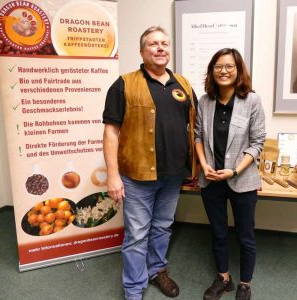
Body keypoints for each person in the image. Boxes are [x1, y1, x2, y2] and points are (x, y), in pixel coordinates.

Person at [102, 26, 197, 300]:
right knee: (136, 236)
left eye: (164, 43)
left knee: (163, 227)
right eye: (153, 44)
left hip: (173, 176)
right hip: (137, 177)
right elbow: (111, 131)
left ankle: (157, 270)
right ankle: (133, 289)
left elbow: (194, 127)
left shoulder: (183, 84)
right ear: (142, 51)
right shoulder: (124, 83)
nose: (160, 48)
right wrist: (112, 176)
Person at [194, 48, 266, 300]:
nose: (223, 71)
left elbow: (257, 143)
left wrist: (234, 170)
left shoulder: (252, 101)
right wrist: (204, 166)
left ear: (238, 71)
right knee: (218, 231)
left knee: (246, 235)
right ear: (212, 72)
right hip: (211, 179)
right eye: (218, 67)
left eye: (229, 66)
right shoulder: (204, 101)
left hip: (242, 180)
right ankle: (223, 279)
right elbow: (197, 137)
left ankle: (245, 283)